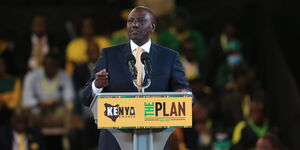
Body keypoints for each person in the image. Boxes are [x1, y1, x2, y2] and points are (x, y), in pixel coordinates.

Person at [80, 6, 191, 150]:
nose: (134, 24)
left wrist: (182, 95)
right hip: (115, 141)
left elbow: (186, 93)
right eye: (130, 21)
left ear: (152, 27)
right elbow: (85, 97)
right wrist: (97, 85)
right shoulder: (109, 55)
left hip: (156, 139)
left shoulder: (169, 57)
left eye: (141, 21)